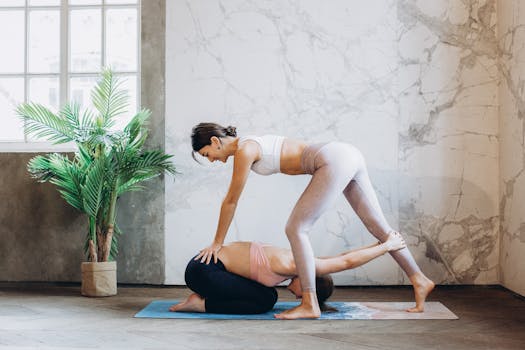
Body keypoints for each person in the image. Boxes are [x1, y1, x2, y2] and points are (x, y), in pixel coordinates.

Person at [190, 122, 435, 319]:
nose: (211, 160)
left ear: (214, 141)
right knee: (379, 229)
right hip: (345, 154)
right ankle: (419, 279)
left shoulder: (245, 150)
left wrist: (217, 242)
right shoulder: (249, 143)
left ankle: (309, 302)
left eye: (207, 154)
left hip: (331, 159)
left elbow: (231, 200)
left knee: (296, 228)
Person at [169, 232, 406, 314]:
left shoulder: (299, 261)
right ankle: (199, 305)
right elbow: (346, 262)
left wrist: (379, 244)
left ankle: (202, 301)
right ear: (307, 281)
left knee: (267, 295)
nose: (295, 295)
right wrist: (387, 247)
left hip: (205, 268)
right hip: (204, 271)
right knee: (265, 299)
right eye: (301, 294)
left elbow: (342, 256)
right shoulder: (293, 264)